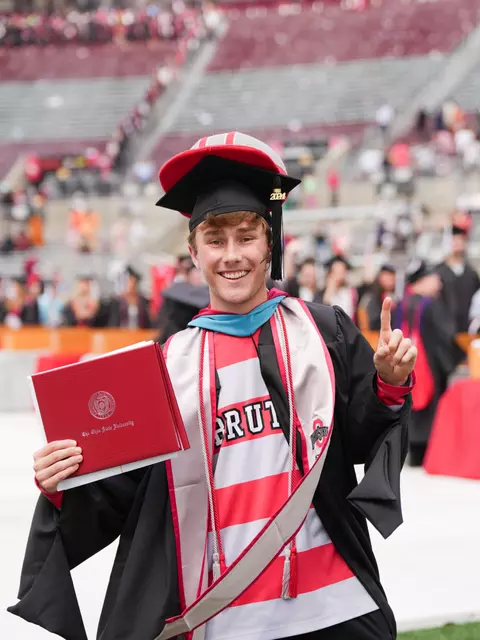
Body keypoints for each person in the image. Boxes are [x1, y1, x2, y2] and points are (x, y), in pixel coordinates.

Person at [10, 133, 417, 640]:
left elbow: (358, 440)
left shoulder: (324, 332)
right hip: (222, 614)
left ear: (271, 241)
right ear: (193, 251)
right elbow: (123, 494)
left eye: (247, 237)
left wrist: (390, 383)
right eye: (215, 240)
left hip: (333, 606)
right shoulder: (166, 369)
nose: (232, 256)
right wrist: (63, 484)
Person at [394, 260, 463, 467]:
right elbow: (447, 336)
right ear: (421, 281)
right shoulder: (430, 305)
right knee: (430, 411)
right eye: (434, 278)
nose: (439, 283)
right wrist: (450, 364)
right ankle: (426, 454)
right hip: (429, 369)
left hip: (405, 369)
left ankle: (410, 452)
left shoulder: (400, 305)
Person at [436, 224, 480, 333]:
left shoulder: (471, 274)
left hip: (466, 331)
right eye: (454, 241)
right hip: (443, 331)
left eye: (461, 240)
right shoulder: (438, 273)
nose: (457, 244)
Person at [156, 262, 209, 341]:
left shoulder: (208, 294)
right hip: (176, 334)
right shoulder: (175, 293)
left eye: (200, 273)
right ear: (188, 276)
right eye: (196, 273)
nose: (198, 277)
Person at [359, 265, 397, 331]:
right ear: (380, 277)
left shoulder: (393, 296)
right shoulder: (370, 296)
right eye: (388, 278)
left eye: (392, 279)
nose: (391, 282)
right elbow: (369, 322)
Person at [320, 255, 358, 321]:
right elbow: (321, 315)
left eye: (342, 271)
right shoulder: (321, 293)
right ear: (330, 273)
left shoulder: (350, 292)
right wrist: (330, 289)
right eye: (336, 272)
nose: (339, 275)